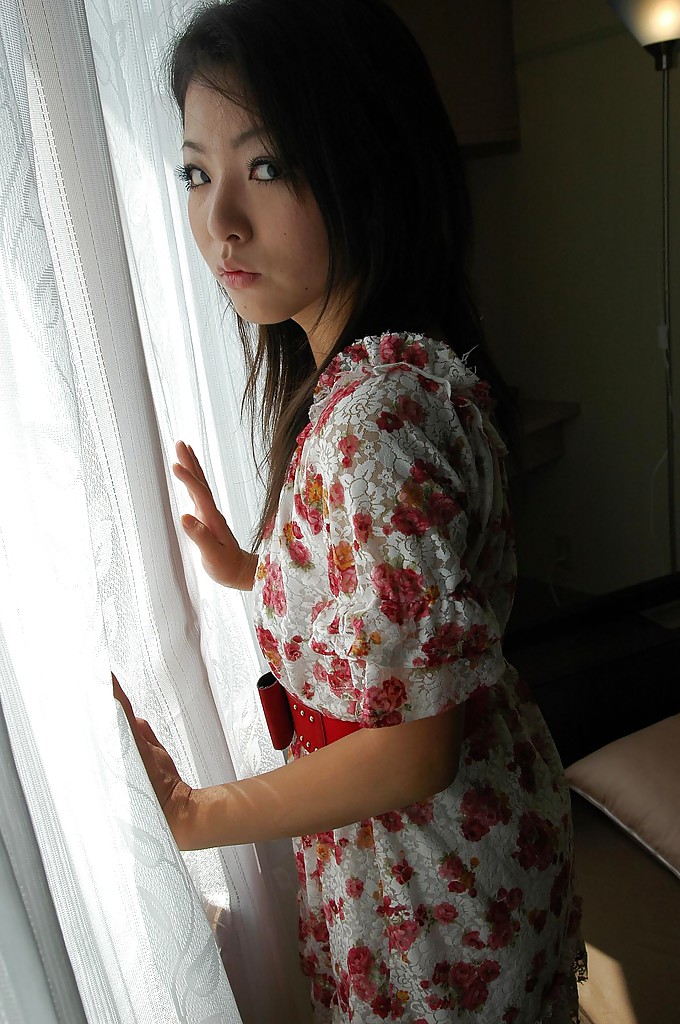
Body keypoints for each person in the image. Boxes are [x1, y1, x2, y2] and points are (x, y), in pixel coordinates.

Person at [113, 0, 587, 1020]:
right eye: (195, 173)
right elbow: (400, 609)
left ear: (367, 159)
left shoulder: (373, 419)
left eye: (266, 166)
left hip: (432, 886)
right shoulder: (394, 371)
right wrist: (257, 568)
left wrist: (195, 814)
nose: (219, 220)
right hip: (459, 855)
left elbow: (414, 745)